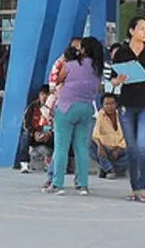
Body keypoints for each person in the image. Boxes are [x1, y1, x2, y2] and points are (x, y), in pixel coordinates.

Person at [110, 17, 145, 203]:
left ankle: (143, 186)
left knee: (143, 145)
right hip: (126, 103)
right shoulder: (121, 53)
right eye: (141, 29)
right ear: (131, 31)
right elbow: (113, 80)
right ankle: (135, 187)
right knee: (132, 147)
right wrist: (120, 80)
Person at [46, 37, 105, 195]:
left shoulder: (70, 64)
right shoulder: (98, 69)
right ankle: (83, 185)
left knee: (61, 147)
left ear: (84, 50)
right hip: (86, 108)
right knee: (81, 148)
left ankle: (57, 184)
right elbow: (98, 89)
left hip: (66, 107)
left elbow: (58, 79)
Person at [17, 85, 53, 173]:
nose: (44, 97)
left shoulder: (55, 108)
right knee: (24, 136)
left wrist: (49, 133)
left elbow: (58, 124)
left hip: (49, 135)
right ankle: (24, 164)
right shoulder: (32, 107)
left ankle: (53, 164)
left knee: (60, 138)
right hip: (35, 135)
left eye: (47, 95)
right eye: (42, 94)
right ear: (39, 95)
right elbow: (26, 124)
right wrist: (34, 133)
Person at [91, 93, 129, 179]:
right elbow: (95, 134)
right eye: (107, 104)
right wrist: (100, 146)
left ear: (116, 104)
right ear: (102, 105)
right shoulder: (101, 115)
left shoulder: (122, 115)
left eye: (112, 103)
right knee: (88, 143)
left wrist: (119, 148)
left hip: (121, 148)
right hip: (105, 148)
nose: (110, 106)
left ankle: (105, 167)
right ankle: (109, 169)